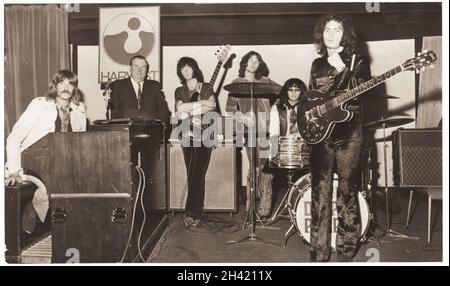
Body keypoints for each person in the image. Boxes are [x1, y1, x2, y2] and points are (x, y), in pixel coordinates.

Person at [305, 14, 371, 262]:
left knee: (346, 191)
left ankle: (345, 252)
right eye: (326, 30)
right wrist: (307, 121)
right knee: (318, 193)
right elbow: (311, 98)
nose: (331, 34)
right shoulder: (316, 64)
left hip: (349, 133)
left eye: (337, 30)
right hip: (322, 134)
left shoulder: (359, 60)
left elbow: (362, 90)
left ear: (346, 34)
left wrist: (342, 66)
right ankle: (318, 252)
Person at [5, 70, 87, 233]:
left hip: (61, 163)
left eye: (70, 84)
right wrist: (14, 171)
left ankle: (67, 232)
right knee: (55, 184)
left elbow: (79, 143)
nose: (66, 87)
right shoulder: (40, 105)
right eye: (61, 83)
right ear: (54, 86)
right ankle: (34, 211)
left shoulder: (78, 109)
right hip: (33, 161)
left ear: (75, 88)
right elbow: (14, 138)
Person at [225, 51, 279, 216]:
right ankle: (250, 204)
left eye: (257, 60)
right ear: (244, 64)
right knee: (254, 167)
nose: (254, 62)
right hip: (248, 131)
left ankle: (264, 207)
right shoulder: (237, 83)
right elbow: (230, 109)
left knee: (266, 168)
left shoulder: (265, 82)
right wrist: (241, 117)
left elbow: (281, 92)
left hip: (267, 130)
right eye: (250, 60)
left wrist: (275, 112)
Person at [174, 57, 217, 228]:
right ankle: (194, 212)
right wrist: (202, 103)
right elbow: (179, 109)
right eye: (182, 68)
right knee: (190, 172)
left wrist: (189, 107)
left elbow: (212, 107)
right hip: (186, 133)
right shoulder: (180, 90)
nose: (186, 70)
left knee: (197, 174)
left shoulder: (205, 87)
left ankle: (192, 213)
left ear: (194, 68)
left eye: (188, 67)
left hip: (205, 133)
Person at [257, 78, 308, 217]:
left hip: (303, 151)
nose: (293, 93)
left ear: (301, 92)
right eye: (290, 89)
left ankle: (305, 213)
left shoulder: (307, 108)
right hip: (282, 150)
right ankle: (264, 211)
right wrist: (272, 156)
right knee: (266, 174)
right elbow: (273, 133)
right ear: (286, 91)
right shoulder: (276, 108)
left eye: (297, 90)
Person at [110, 55, 170, 128]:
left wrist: (159, 128)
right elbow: (114, 114)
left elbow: (164, 111)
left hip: (151, 132)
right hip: (126, 133)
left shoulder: (154, 86)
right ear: (130, 68)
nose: (139, 70)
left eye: (143, 67)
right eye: (136, 66)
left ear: (147, 70)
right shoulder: (118, 86)